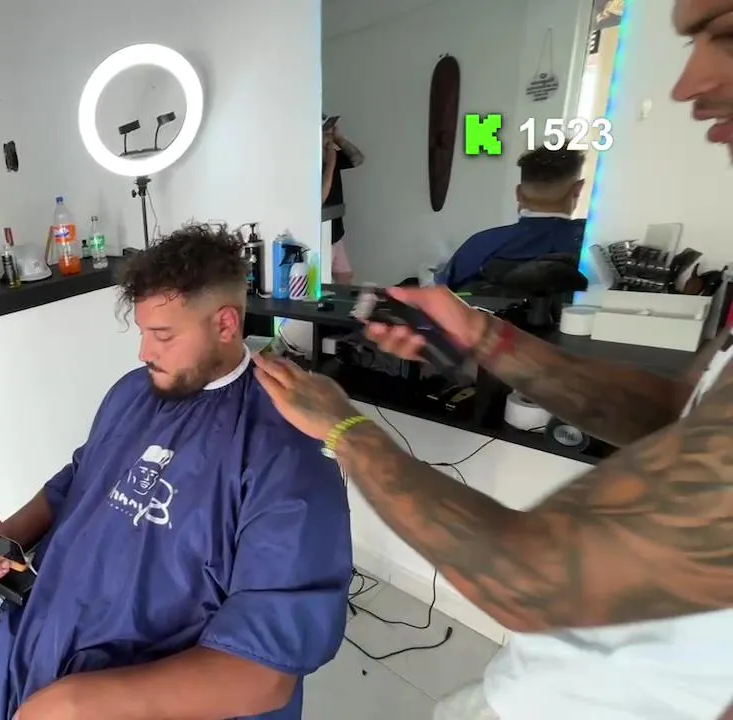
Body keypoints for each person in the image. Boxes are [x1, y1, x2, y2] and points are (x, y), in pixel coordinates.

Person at [250, 3, 733, 712]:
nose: (687, 83)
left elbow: (528, 578)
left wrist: (343, 427)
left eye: (724, 34)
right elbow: (674, 412)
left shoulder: (486, 245)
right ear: (574, 193)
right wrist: (483, 336)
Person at [0, 225, 352, 720]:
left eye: (163, 335)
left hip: (155, 665)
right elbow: (77, 478)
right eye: (143, 332)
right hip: (45, 608)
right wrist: (10, 536)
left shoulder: (287, 443)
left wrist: (77, 703)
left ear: (225, 324)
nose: (144, 352)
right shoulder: (134, 391)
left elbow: (264, 674)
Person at [436, 145, 587, 291]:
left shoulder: (479, 247)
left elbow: (440, 295)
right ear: (577, 189)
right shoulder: (589, 245)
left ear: (519, 194)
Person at [322, 119, 364, 285]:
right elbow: (319, 199)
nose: (329, 137)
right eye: (325, 133)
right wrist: (331, 164)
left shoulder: (332, 155)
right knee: (323, 283)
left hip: (336, 233)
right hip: (322, 236)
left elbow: (358, 159)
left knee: (345, 278)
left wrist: (340, 139)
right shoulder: (310, 162)